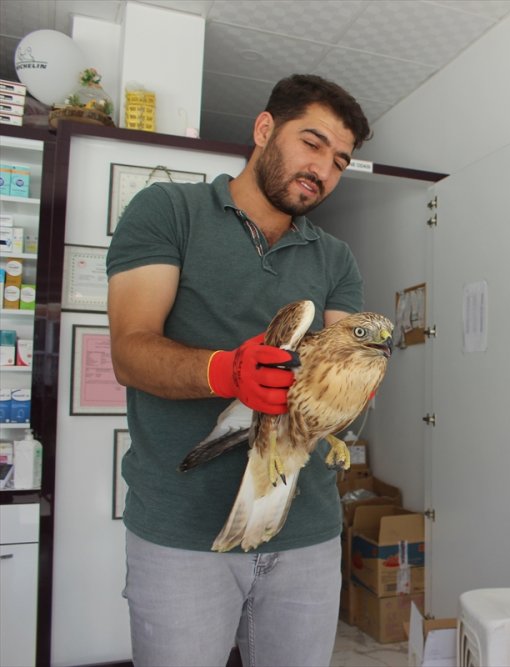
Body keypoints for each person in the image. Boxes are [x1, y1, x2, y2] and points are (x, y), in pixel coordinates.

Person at [106, 74, 371, 666]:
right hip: (181, 533)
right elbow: (129, 349)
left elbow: (345, 355)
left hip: (306, 529)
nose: (323, 168)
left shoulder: (335, 256)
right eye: (312, 142)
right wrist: (228, 372)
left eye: (340, 160)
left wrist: (354, 387)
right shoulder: (170, 211)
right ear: (264, 128)